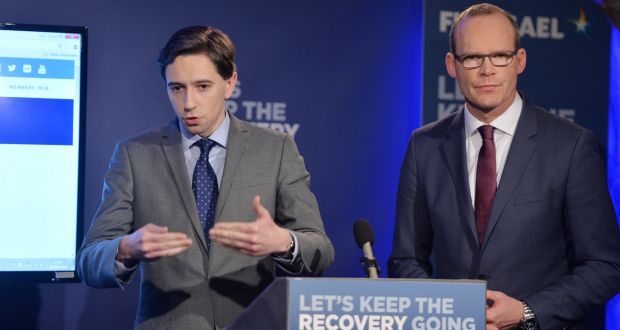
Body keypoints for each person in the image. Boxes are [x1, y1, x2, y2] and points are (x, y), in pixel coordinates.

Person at [77, 26, 334, 329]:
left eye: (202, 86)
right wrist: (127, 248)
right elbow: (88, 262)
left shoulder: (275, 149)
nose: (188, 103)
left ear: (230, 83)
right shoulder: (134, 154)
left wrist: (283, 241)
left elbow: (321, 250)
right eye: (177, 88)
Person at [388, 3, 620, 329]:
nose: (487, 70)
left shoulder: (571, 146)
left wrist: (527, 311)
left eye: (500, 56)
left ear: (520, 61)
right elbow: (407, 259)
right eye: (472, 58)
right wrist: (446, 313)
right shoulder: (423, 146)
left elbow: (605, 264)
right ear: (452, 65)